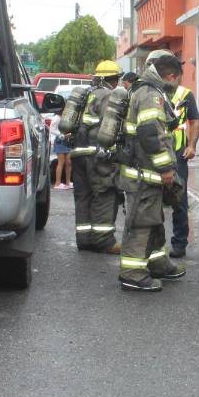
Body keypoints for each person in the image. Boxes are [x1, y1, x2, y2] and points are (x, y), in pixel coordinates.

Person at [116, 55, 187, 292]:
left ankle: (157, 262)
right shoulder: (150, 95)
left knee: (154, 221)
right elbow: (150, 134)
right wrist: (166, 168)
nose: (177, 85)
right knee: (141, 223)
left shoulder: (146, 90)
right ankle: (133, 274)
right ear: (171, 76)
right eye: (178, 80)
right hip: (143, 174)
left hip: (144, 173)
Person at [70, 61, 124, 254]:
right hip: (98, 155)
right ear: (114, 80)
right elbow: (112, 127)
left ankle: (84, 239)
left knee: (83, 196)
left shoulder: (84, 94)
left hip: (78, 153)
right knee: (104, 194)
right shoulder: (109, 95)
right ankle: (104, 241)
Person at [166, 63, 199, 258]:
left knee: (179, 200)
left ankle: (179, 243)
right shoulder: (151, 91)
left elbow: (194, 122)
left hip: (178, 154)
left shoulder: (185, 94)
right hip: (154, 153)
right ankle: (153, 242)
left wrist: (192, 145)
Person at [52, 117, 73, 189]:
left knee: (68, 162)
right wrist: (60, 135)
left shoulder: (68, 116)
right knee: (61, 162)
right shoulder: (57, 117)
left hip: (67, 141)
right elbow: (51, 129)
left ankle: (68, 182)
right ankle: (57, 183)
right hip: (60, 141)